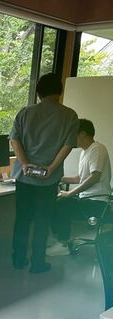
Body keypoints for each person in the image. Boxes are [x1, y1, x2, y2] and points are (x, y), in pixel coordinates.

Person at [9, 72, 79, 273]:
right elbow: (67, 146)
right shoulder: (70, 115)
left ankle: (18, 259)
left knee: (22, 219)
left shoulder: (25, 112)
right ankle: (38, 262)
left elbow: (15, 139)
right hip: (49, 180)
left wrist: (25, 164)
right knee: (43, 220)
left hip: (25, 177)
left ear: (39, 93)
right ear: (59, 92)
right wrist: (51, 168)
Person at [47, 119, 111, 256]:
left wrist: (69, 193)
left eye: (72, 134)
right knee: (54, 201)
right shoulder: (85, 152)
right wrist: (58, 178)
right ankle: (59, 239)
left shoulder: (97, 149)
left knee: (61, 204)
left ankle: (63, 243)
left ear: (82, 134)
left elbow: (95, 177)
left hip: (97, 202)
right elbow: (80, 178)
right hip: (87, 199)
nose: (70, 138)